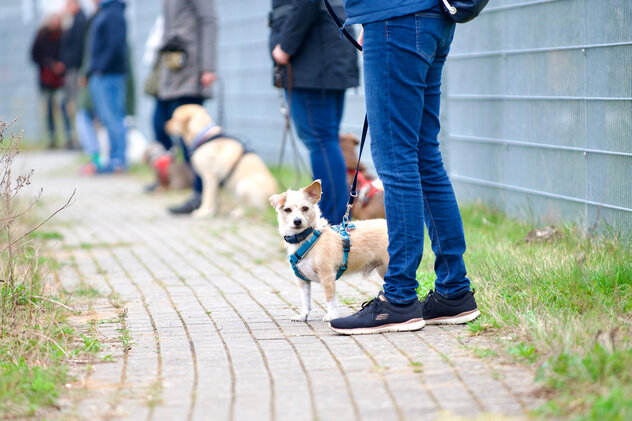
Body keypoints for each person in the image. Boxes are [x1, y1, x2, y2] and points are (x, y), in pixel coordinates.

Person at [329, 1, 480, 334]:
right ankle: (453, 291)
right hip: (429, 18)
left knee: (397, 159)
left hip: (395, 18)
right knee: (424, 157)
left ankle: (398, 299)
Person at [269, 0, 358, 225]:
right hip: (326, 53)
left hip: (313, 58)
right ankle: (337, 222)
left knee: (321, 141)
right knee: (326, 140)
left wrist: (286, 45)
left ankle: (332, 225)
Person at [158, 0, 218, 213]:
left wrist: (208, 67)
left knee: (196, 137)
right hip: (174, 66)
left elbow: (208, 21)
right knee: (179, 135)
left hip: (191, 67)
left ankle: (200, 194)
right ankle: (197, 192)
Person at [86, 0, 128, 173]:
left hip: (109, 74)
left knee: (113, 117)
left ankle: (118, 161)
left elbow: (115, 45)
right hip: (102, 74)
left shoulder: (113, 13)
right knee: (107, 118)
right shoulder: (105, 11)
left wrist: (101, 68)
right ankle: (113, 159)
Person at [30, 13, 72, 149]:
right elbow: (34, 55)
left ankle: (68, 137)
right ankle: (52, 138)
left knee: (63, 106)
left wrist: (62, 65)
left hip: (60, 79)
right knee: (48, 108)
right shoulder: (41, 35)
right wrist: (49, 64)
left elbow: (68, 53)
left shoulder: (63, 35)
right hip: (46, 79)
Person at [60, 0, 88, 149]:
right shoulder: (74, 21)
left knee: (76, 105)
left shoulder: (79, 21)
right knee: (72, 105)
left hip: (75, 69)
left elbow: (77, 47)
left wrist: (70, 64)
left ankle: (81, 140)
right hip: (73, 69)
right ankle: (77, 138)